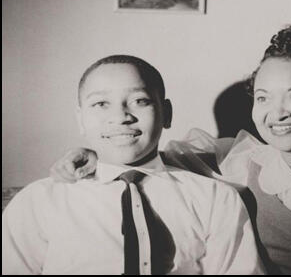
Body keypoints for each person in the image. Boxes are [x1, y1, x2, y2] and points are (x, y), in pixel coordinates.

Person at [49, 25, 291, 274]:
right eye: (262, 97)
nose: (277, 113)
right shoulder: (241, 158)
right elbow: (144, 157)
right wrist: (94, 155)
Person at [2, 55, 265, 275]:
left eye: (140, 101)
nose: (121, 116)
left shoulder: (215, 199)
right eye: (101, 104)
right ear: (81, 119)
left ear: (167, 113)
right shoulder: (39, 203)